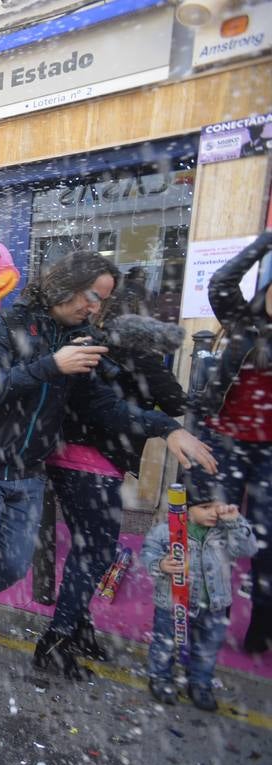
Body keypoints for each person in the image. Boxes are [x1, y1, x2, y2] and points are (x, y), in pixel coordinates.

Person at [0, 251, 217, 691]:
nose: (94, 308)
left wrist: (167, 428)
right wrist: (49, 366)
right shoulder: (4, 327)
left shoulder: (81, 339)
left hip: (27, 470)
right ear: (64, 286)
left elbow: (102, 406)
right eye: (93, 296)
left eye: (102, 301)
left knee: (14, 566)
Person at [35, 294, 187, 678]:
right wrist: (151, 361)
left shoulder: (92, 346)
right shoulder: (131, 357)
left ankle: (78, 626)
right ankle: (56, 640)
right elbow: (174, 401)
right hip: (96, 465)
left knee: (87, 551)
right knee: (96, 555)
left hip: (66, 458)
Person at [189, 231, 272, 653]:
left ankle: (260, 628)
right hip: (225, 442)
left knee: (265, 542)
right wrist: (267, 241)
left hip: (268, 455)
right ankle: (208, 625)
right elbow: (221, 280)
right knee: (215, 533)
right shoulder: (247, 322)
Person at [140, 472, 255, 710]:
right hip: (172, 602)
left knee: (207, 648)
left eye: (219, 505)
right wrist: (161, 564)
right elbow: (147, 552)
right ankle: (160, 678)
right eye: (205, 507)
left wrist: (236, 521)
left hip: (214, 605)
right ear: (186, 507)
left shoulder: (225, 529)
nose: (215, 512)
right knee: (165, 643)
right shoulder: (166, 530)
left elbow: (248, 548)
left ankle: (200, 683)